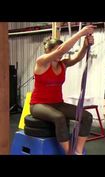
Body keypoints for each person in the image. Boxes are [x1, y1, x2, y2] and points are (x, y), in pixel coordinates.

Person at [30, 25, 96, 155]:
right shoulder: (41, 62)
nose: (61, 55)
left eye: (61, 53)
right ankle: (68, 153)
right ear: (48, 51)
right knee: (59, 117)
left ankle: (77, 151)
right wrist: (80, 33)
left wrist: (85, 45)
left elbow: (77, 58)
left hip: (58, 103)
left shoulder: (63, 64)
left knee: (87, 117)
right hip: (38, 105)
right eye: (57, 51)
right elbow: (63, 50)